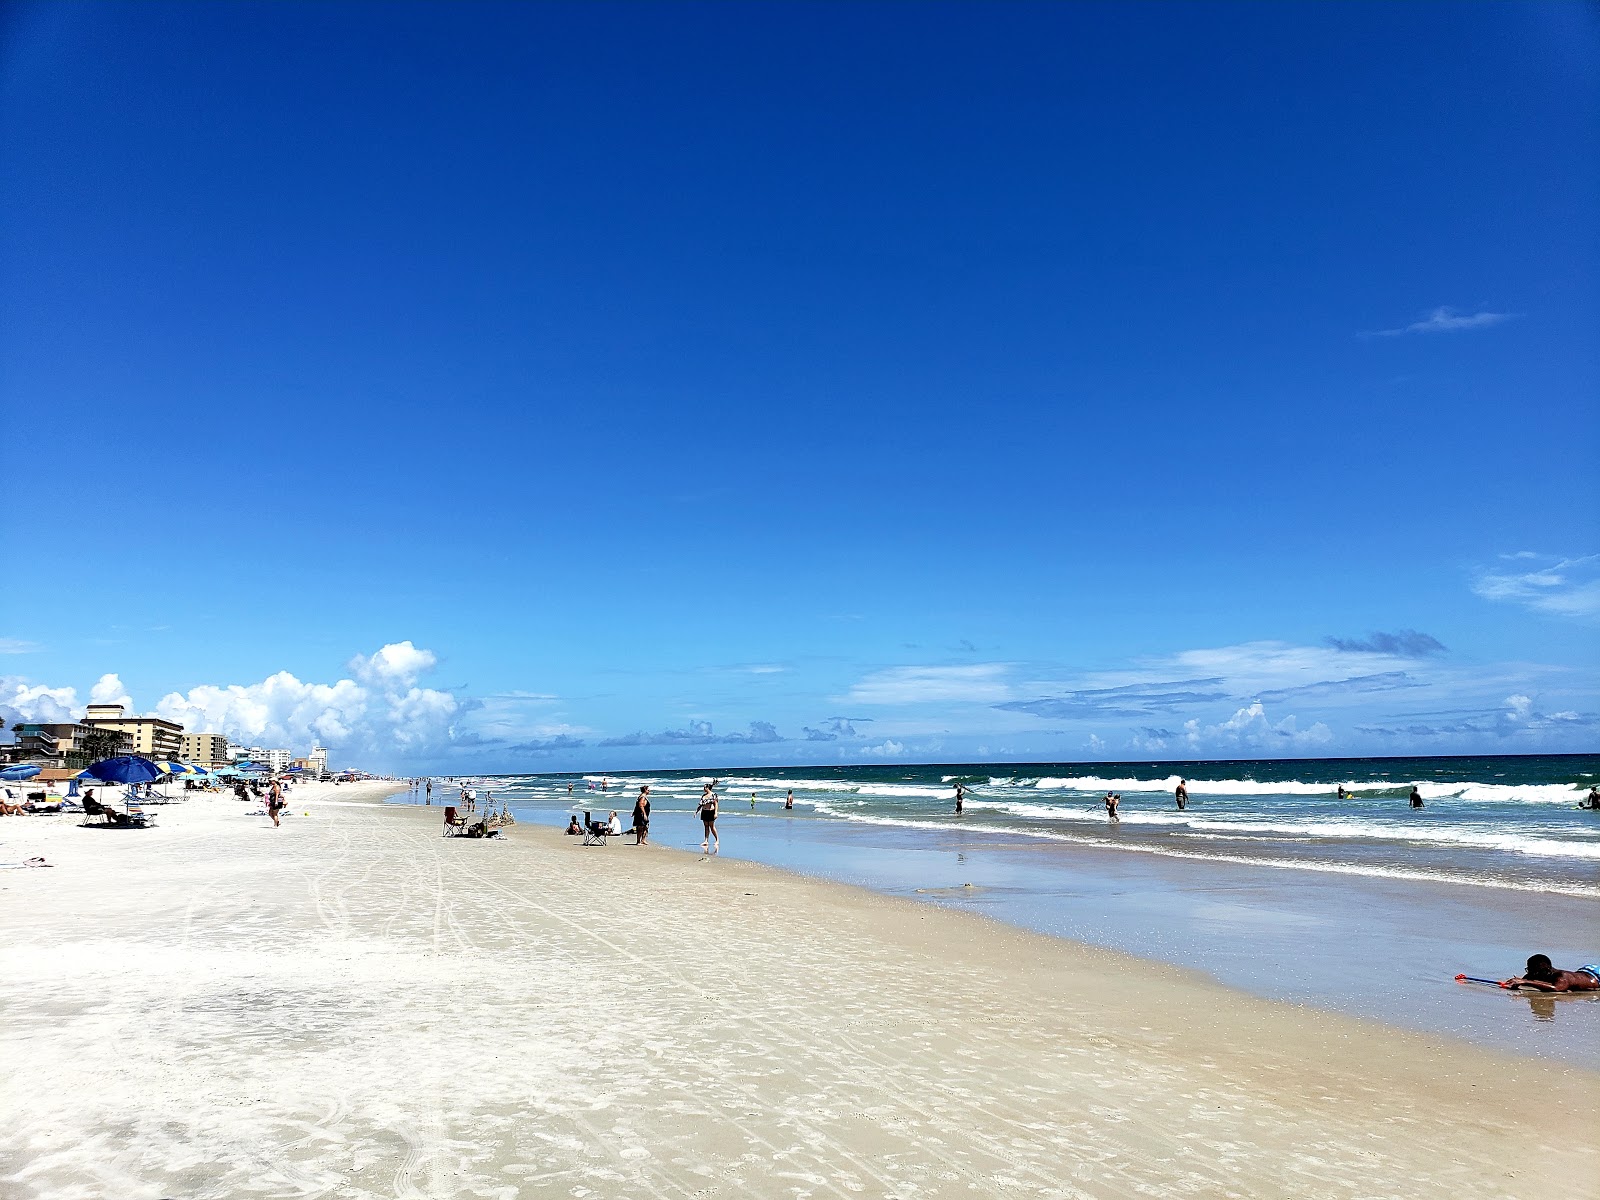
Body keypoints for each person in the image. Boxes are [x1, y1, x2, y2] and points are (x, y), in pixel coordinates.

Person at [1502, 954, 1600, 993]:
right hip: (1584, 972)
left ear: (1547, 969)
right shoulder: (1539, 973)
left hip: (1596, 978)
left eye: (1534, 971)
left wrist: (1524, 982)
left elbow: (1556, 988)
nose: (1532, 974)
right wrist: (1517, 983)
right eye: (1529, 970)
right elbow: (1526, 980)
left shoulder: (1562, 977)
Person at [698, 785, 719, 852]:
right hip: (704, 811)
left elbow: (716, 804)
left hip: (711, 811)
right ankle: (706, 841)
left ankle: (717, 840)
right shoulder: (703, 796)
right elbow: (701, 805)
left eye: (704, 787)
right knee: (706, 826)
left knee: (712, 826)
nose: (703, 788)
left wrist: (716, 813)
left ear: (708, 788)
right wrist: (696, 811)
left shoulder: (713, 795)